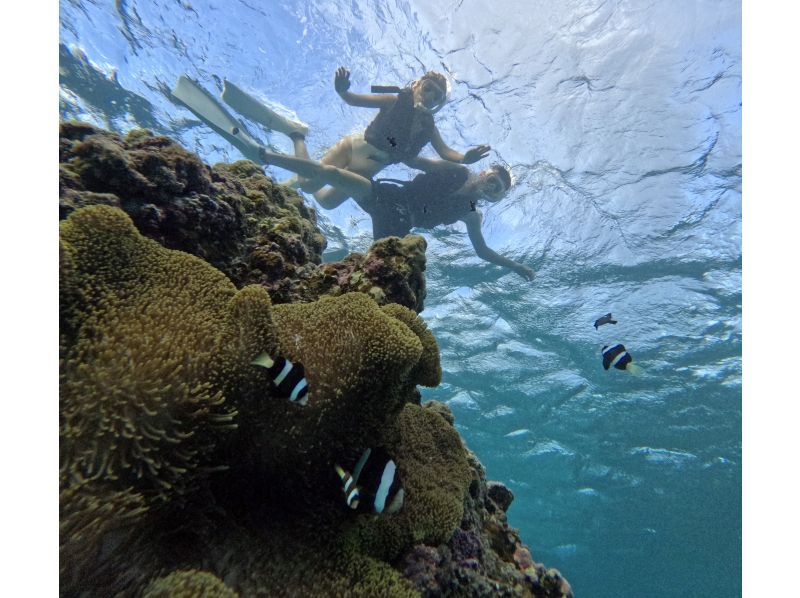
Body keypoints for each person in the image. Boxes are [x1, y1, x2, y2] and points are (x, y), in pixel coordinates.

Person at [170, 75, 533, 279]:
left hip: (400, 227)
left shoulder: (474, 214)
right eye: (492, 179)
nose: (491, 187)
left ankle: (297, 141)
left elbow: (482, 250)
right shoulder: (456, 171)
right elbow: (430, 163)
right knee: (325, 176)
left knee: (327, 204)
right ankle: (267, 155)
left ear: (497, 197)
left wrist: (515, 265)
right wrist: (453, 156)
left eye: (498, 190)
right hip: (387, 195)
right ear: (484, 172)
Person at [221, 68, 491, 209]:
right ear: (417, 85)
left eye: (437, 97)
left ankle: (297, 168)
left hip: (368, 170)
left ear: (438, 104)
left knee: (326, 202)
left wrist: (466, 157)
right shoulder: (395, 99)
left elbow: (446, 153)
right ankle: (296, 136)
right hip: (352, 148)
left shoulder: (428, 127)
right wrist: (342, 90)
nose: (430, 96)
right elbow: (353, 99)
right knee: (308, 185)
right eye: (428, 89)